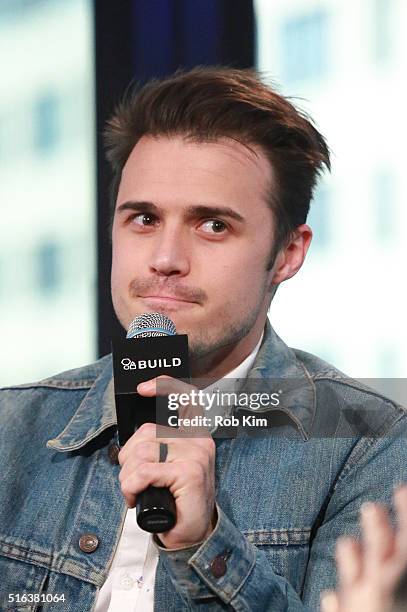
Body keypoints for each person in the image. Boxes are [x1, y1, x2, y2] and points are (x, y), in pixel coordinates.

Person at [0, 66, 406, 611]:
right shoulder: (12, 429)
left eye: (212, 225)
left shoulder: (370, 443)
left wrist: (203, 542)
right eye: (143, 218)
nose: (165, 260)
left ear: (288, 253)